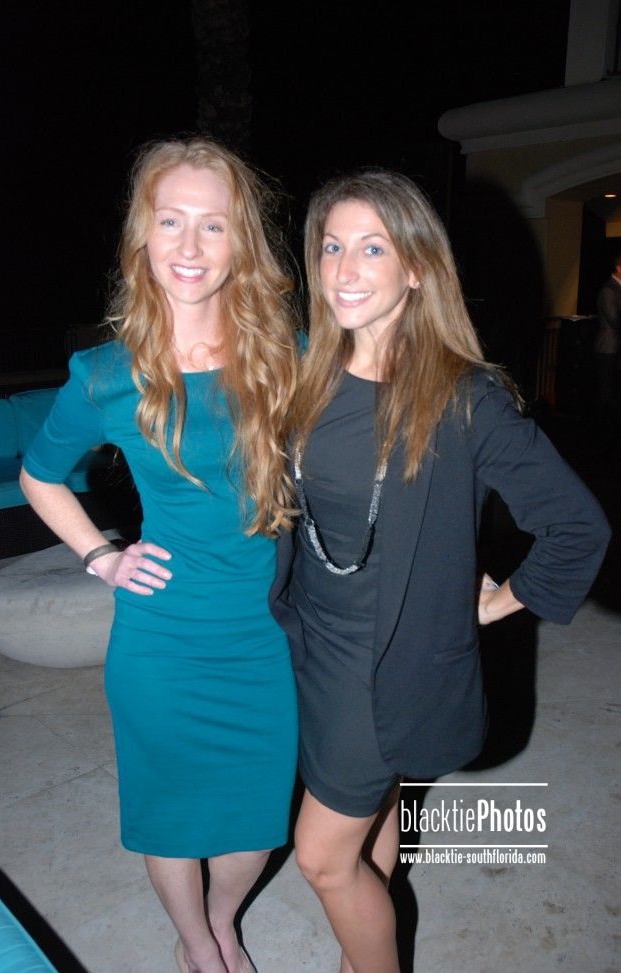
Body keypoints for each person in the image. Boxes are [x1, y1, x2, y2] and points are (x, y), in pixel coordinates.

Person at [269, 170, 611, 973]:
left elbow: (577, 527)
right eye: (332, 247)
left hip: (388, 663)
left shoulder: (462, 400)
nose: (344, 268)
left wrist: (494, 603)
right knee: (373, 815)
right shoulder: (306, 373)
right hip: (313, 639)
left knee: (321, 856)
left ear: (417, 266)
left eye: (372, 248)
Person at [20, 137, 299, 973]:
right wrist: (101, 556)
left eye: (212, 224)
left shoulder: (288, 354)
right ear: (142, 235)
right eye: (170, 221)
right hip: (162, 634)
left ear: (241, 241)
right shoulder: (107, 374)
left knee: (258, 821)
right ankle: (198, 944)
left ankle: (222, 916)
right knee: (170, 817)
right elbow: (39, 474)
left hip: (269, 631)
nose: (189, 245)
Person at [594, 252, 621, 423]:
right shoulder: (608, 290)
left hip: (616, 347)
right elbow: (615, 319)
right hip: (608, 347)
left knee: (613, 391)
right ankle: (600, 427)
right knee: (605, 390)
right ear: (618, 268)